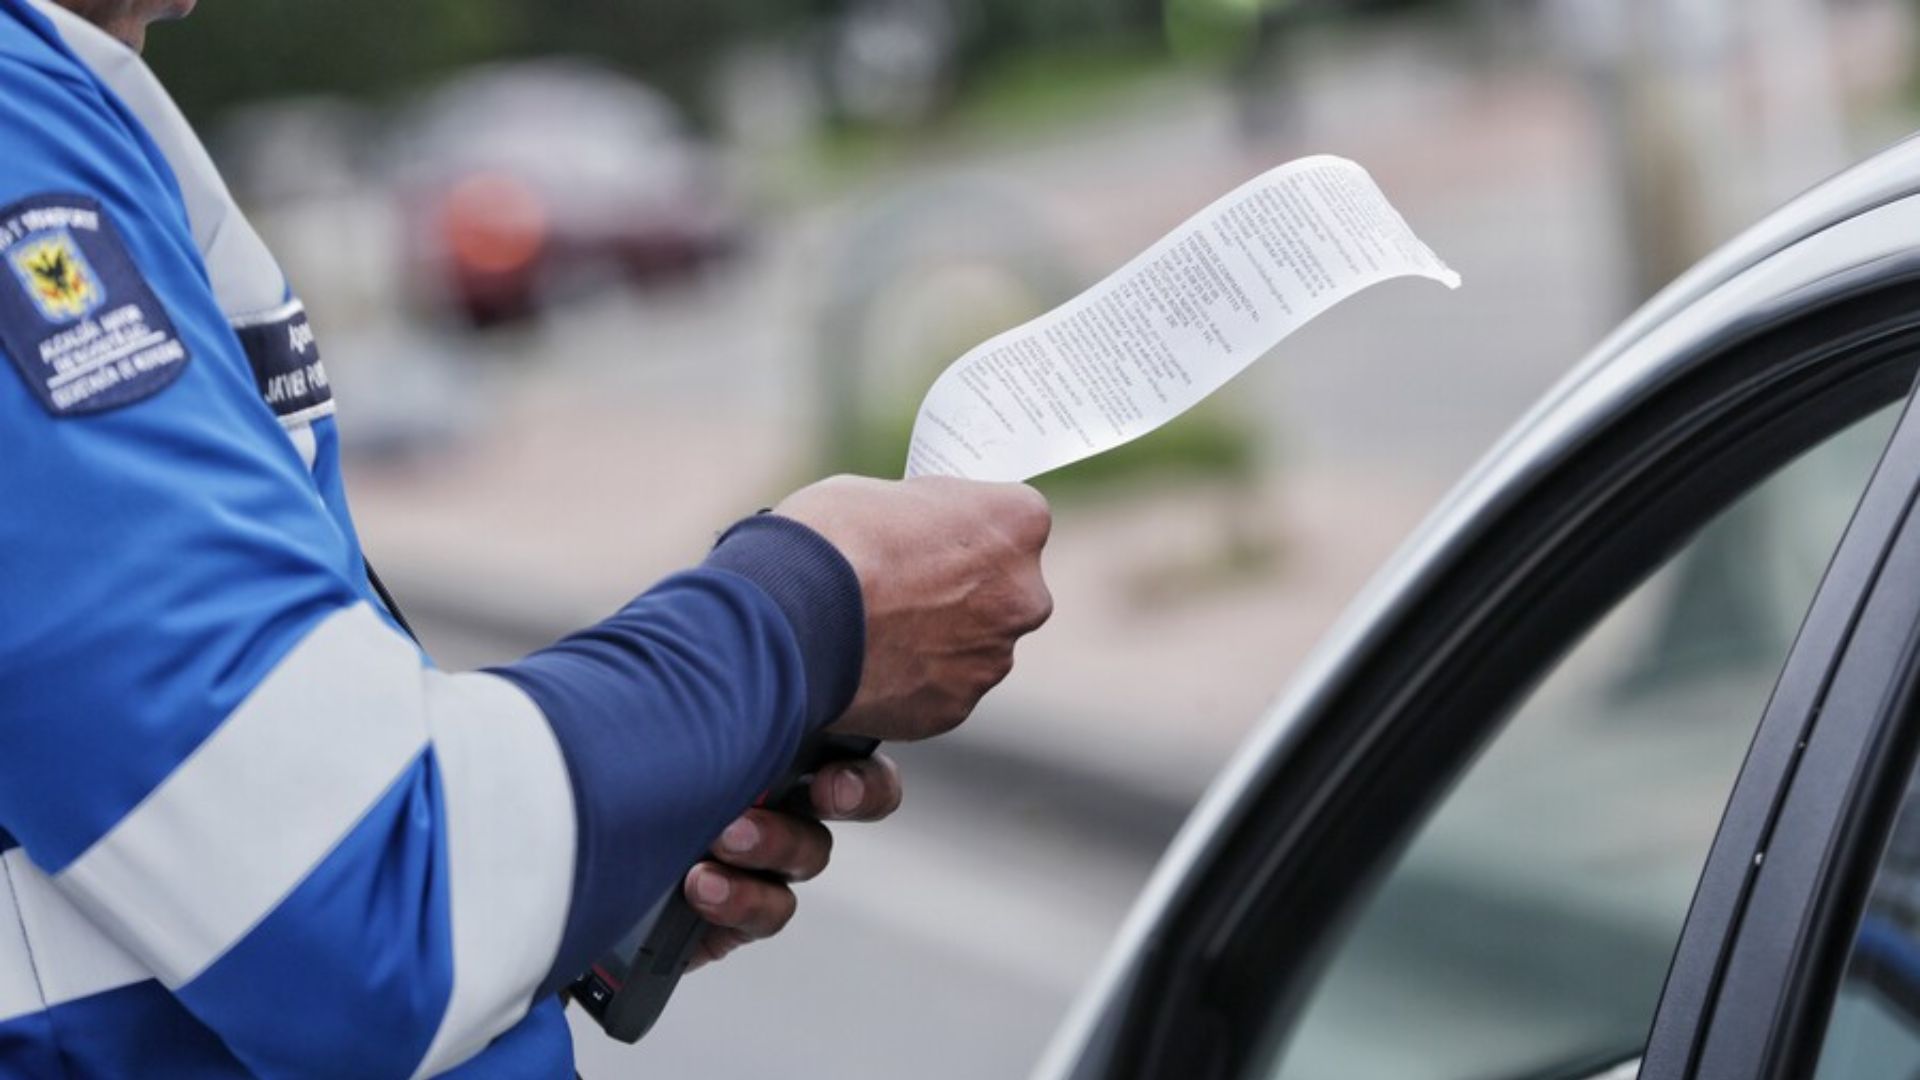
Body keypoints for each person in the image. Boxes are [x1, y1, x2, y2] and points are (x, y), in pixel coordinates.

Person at [0, 1, 1055, 1077]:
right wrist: (814, 607)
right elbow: (368, 903)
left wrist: (598, 813)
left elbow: (244, 804)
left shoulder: (63, 92)